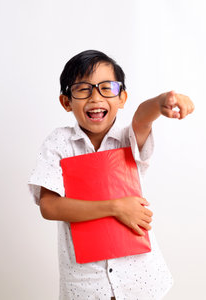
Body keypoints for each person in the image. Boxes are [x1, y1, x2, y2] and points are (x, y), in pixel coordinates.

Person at [28, 50, 194, 300]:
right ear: (66, 101)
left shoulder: (128, 139)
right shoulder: (58, 143)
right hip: (85, 283)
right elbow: (49, 206)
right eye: (83, 89)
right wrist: (116, 207)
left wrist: (160, 103)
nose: (95, 97)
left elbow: (142, 118)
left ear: (122, 97)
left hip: (140, 279)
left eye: (107, 88)